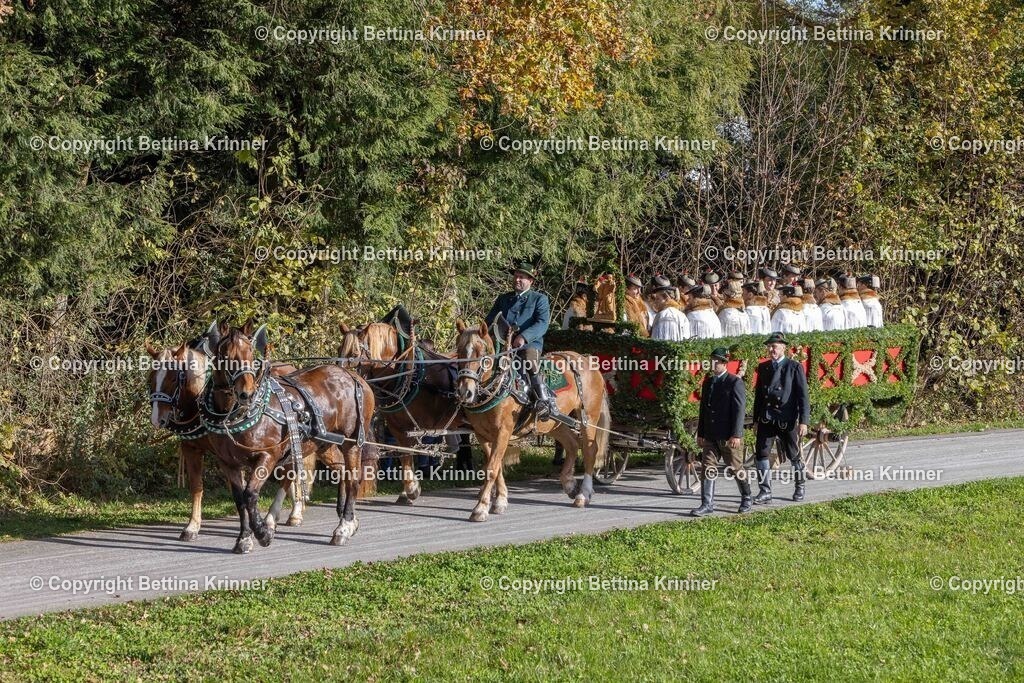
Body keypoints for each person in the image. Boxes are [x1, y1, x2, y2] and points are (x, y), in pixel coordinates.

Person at [485, 262, 564, 422]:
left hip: (529, 345)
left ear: (530, 281)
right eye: (516, 276)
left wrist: (524, 337)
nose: (518, 279)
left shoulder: (539, 299)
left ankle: (543, 401)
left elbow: (542, 323)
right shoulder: (503, 299)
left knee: (529, 361)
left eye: (522, 277)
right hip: (502, 344)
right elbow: (490, 320)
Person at [752, 332, 810, 504]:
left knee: (794, 455)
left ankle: (800, 486)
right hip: (767, 418)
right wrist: (756, 420)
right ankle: (765, 491)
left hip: (787, 418)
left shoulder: (794, 367)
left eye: (774, 346)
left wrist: (804, 421)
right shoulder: (764, 367)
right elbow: (759, 397)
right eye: (769, 346)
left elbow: (803, 396)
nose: (771, 350)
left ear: (783, 348)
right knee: (761, 454)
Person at [692, 347, 751, 516]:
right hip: (711, 433)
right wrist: (701, 432)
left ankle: (747, 497)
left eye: (716, 361)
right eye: (711, 360)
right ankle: (707, 503)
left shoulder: (734, 382)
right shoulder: (709, 382)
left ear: (725, 363)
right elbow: (704, 409)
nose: (713, 364)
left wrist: (737, 434)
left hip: (728, 435)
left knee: (735, 467)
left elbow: (739, 411)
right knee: (707, 466)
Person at [649, 275, 690, 341]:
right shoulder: (682, 315)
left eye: (658, 299)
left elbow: (655, 339)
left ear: (667, 298)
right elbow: (686, 339)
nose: (656, 301)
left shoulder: (661, 315)